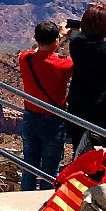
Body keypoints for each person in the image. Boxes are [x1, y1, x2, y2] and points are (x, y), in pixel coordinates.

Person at [17, 20, 74, 191]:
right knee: (51, 170)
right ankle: (46, 203)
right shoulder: (64, 65)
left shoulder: (24, 58)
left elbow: (36, 52)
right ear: (56, 41)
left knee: (29, 166)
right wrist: (63, 37)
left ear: (35, 38)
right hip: (53, 121)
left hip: (30, 117)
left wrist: (57, 38)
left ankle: (25, 198)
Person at [65, 4, 106, 153]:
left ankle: (78, 175)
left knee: (79, 148)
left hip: (78, 104)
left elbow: (81, 34)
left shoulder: (76, 45)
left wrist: (81, 25)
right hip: (102, 107)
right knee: (102, 151)